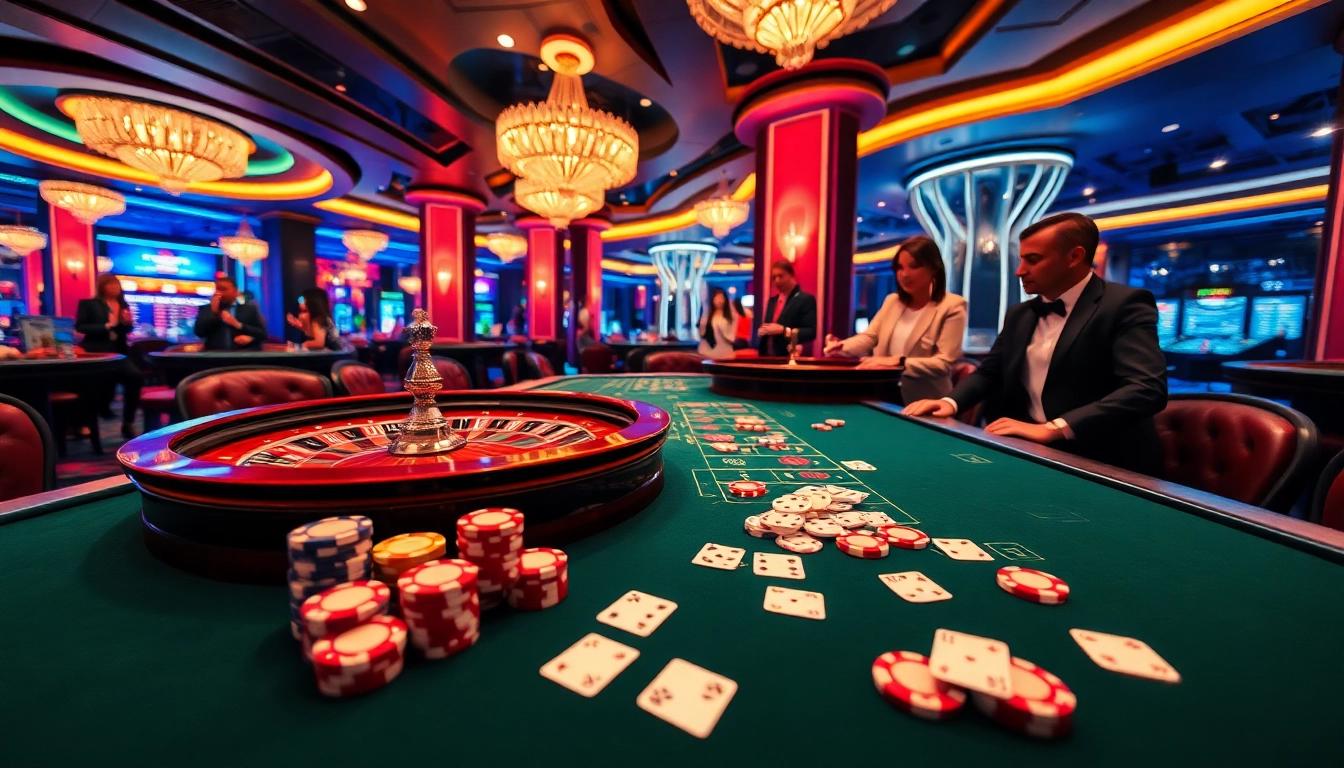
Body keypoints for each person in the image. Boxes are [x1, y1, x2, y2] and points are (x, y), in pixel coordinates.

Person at [902, 212, 1168, 475]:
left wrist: (1055, 428)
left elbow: (1145, 388)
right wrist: (950, 402)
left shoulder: (1124, 304)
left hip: (1102, 461)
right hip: (1027, 453)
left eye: (1033, 260)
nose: (1020, 270)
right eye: (1021, 259)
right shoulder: (1020, 313)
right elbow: (989, 373)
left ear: (1074, 257)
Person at [823, 236, 967, 403]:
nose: (904, 274)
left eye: (913, 266)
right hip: (882, 395)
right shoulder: (893, 301)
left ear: (933, 268)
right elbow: (869, 337)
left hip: (926, 403)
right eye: (899, 267)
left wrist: (897, 362)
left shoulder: (953, 306)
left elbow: (942, 364)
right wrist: (842, 346)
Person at [74, 274, 143, 438]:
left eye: (117, 285)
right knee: (96, 386)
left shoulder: (123, 305)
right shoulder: (89, 304)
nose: (115, 288)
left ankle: (128, 423)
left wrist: (127, 324)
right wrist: (106, 326)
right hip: (96, 353)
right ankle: (86, 422)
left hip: (119, 354)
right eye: (111, 285)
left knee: (136, 377)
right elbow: (80, 326)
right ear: (103, 286)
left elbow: (125, 331)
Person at [757, 260, 816, 356]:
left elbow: (811, 332)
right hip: (767, 356)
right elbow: (768, 326)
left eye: (780, 276)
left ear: (791, 275)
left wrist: (784, 330)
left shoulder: (805, 300)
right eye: (774, 277)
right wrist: (763, 330)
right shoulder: (772, 301)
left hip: (789, 356)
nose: (776, 281)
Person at [193, 276, 266, 350]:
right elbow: (199, 332)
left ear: (235, 292)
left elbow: (262, 334)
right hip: (215, 357)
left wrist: (249, 335)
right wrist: (213, 312)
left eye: (224, 289)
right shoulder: (206, 309)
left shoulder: (249, 309)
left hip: (243, 357)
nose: (219, 293)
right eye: (217, 289)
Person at [697, 287, 738, 361]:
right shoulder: (707, 315)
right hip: (707, 353)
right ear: (712, 299)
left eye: (722, 298)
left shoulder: (730, 316)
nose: (719, 301)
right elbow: (702, 333)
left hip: (725, 354)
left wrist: (722, 330)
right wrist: (701, 325)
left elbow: (732, 337)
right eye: (717, 298)